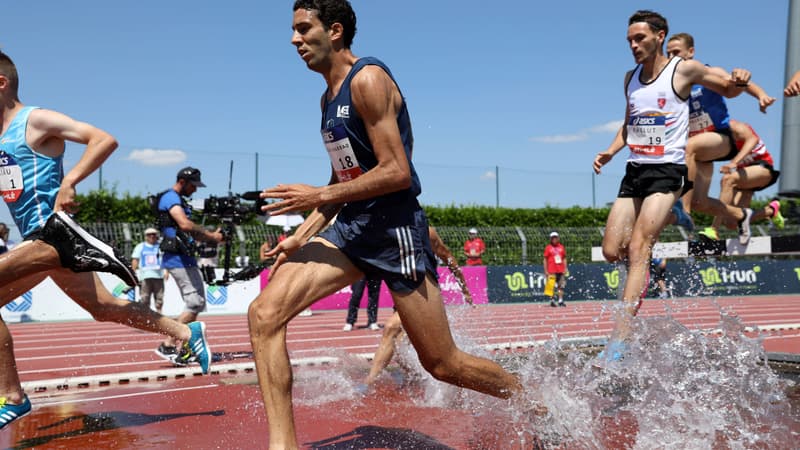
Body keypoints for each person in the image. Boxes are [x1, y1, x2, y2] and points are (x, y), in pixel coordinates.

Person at [249, 2, 522, 447]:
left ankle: (535, 399)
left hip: (395, 230)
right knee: (264, 314)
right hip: (353, 228)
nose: (294, 40)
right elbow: (344, 181)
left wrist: (318, 196)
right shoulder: (326, 98)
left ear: (334, 31)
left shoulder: (369, 80)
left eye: (303, 29)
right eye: (293, 30)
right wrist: (297, 237)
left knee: (443, 363)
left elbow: (396, 171)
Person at [0, 50, 211, 430]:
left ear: (1, 83)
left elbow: (103, 139)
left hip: (54, 236)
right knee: (105, 308)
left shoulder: (34, 120)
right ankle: (183, 330)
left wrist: (70, 181)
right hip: (40, 244)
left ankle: (13, 396)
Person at [592, 10, 751, 362]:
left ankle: (618, 342)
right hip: (635, 171)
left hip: (667, 170)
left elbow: (726, 87)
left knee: (638, 248)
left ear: (660, 36)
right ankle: (675, 218)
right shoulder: (629, 78)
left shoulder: (683, 71)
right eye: (629, 41)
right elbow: (628, 123)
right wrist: (611, 150)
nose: (633, 46)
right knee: (610, 250)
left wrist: (739, 80)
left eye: (640, 39)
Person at [666, 32, 775, 244]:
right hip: (699, 155)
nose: (672, 58)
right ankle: (741, 216)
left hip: (721, 139)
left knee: (689, 147)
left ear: (691, 52)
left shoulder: (707, 72)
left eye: (676, 52)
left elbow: (734, 83)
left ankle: (684, 210)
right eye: (668, 54)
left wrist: (761, 94)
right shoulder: (674, 84)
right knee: (701, 201)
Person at [365, 225, 473, 386]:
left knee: (392, 328)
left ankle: (368, 383)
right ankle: (417, 379)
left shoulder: (426, 232)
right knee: (402, 350)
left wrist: (464, 289)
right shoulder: (387, 230)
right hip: (402, 294)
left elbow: (447, 256)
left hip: (423, 294)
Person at [153, 167, 223, 364]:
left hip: (184, 257)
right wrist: (212, 236)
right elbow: (184, 225)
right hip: (177, 259)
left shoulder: (178, 199)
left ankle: (185, 349)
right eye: (193, 185)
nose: (195, 190)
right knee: (194, 302)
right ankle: (167, 344)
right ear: (183, 182)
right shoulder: (170, 198)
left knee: (197, 302)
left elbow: (187, 231)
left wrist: (210, 237)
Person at [699, 120, 783, 240]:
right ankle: (770, 210)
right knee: (732, 222)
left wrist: (734, 163)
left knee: (727, 180)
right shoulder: (715, 138)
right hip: (744, 178)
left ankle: (714, 230)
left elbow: (752, 139)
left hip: (762, 168)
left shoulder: (733, 126)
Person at [130, 228, 168, 314]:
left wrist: (166, 271)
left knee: (159, 298)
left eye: (154, 234)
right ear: (146, 236)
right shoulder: (140, 246)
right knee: (145, 297)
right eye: (149, 234)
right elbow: (135, 260)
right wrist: (133, 272)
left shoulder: (160, 246)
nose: (152, 236)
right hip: (145, 276)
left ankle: (159, 315)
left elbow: (165, 259)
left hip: (158, 275)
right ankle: (146, 315)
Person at [543, 231, 568, 307]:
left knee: (561, 286)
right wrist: (546, 270)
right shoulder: (548, 248)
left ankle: (560, 300)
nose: (554, 239)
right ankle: (552, 300)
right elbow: (545, 259)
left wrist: (565, 268)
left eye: (555, 237)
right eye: (552, 238)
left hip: (560, 270)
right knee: (551, 286)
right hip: (551, 270)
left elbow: (564, 258)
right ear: (550, 239)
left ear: (558, 238)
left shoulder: (561, 247)